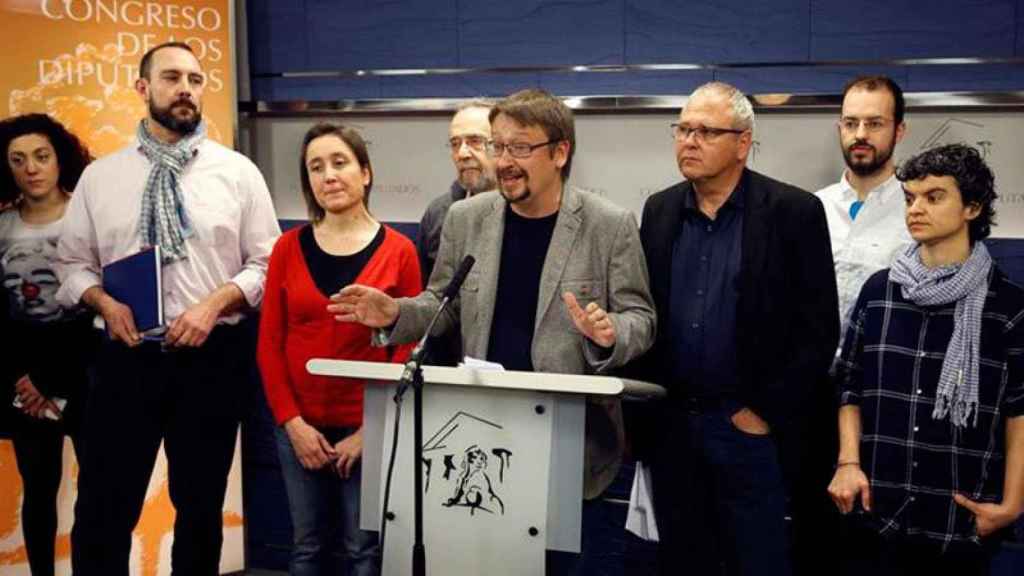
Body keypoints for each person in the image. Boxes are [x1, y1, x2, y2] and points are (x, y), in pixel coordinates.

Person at [330, 88, 656, 575]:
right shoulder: (467, 218)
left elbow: (641, 317)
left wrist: (610, 332)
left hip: (572, 444)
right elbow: (441, 303)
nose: (504, 161)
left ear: (560, 152)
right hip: (483, 437)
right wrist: (394, 314)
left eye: (519, 148)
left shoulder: (608, 225)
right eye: (498, 147)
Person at [55, 42, 281, 575]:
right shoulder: (101, 177)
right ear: (142, 88)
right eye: (172, 77)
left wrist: (214, 303)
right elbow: (70, 264)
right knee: (103, 509)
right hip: (123, 359)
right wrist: (104, 302)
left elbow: (269, 263)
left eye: (196, 80)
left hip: (212, 357)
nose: (186, 89)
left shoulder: (238, 172)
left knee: (201, 508)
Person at [635, 81, 839, 575]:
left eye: (705, 131)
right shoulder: (659, 210)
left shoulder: (793, 212)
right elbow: (649, 316)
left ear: (743, 142)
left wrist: (762, 414)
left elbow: (818, 330)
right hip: (675, 430)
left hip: (748, 432)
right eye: (682, 129)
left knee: (759, 562)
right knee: (683, 562)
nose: (689, 141)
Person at [828, 143, 1024, 575]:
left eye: (934, 197)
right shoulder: (879, 292)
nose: (916, 209)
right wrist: (847, 463)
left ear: (971, 208)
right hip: (876, 509)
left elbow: (1019, 410)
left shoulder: (1007, 304)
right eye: (910, 198)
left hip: (959, 518)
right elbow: (850, 385)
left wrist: (1011, 505)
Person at [257, 122, 421, 576]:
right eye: (316, 167)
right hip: (298, 427)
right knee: (307, 548)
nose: (328, 175)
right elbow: (269, 345)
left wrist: (372, 431)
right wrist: (292, 425)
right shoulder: (287, 249)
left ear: (365, 173)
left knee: (362, 550)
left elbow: (407, 352)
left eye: (339, 162)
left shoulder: (401, 252)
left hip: (365, 426)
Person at [0, 113, 95, 576]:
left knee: (97, 493)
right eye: (18, 160)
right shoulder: (0, 227)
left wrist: (50, 376)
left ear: (61, 159)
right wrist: (24, 378)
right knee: (39, 490)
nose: (31, 168)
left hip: (85, 372)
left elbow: (99, 309)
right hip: (25, 382)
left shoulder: (87, 217)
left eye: (41, 156)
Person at [815, 76, 912, 338]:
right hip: (814, 372)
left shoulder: (917, 211)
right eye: (850, 123)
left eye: (874, 124)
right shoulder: (814, 207)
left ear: (899, 131)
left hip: (881, 370)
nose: (860, 134)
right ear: (840, 129)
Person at [414, 100, 497, 366]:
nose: (462, 153)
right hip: (450, 371)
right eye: (455, 143)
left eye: (475, 141)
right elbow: (431, 301)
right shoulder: (439, 214)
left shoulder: (533, 209)